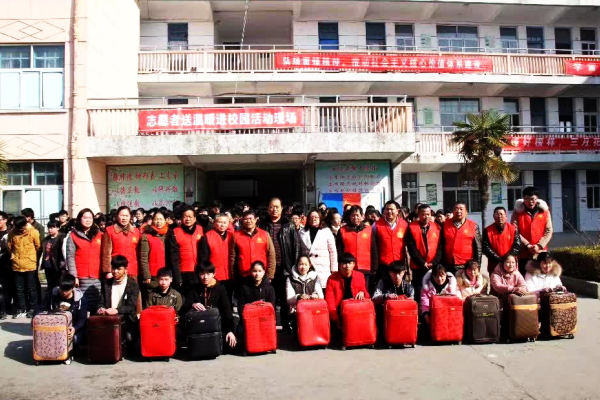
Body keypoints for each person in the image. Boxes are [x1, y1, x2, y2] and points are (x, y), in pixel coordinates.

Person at [260, 198, 299, 332]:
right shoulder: (262, 225)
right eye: (272, 207)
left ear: (282, 208)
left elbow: (296, 247)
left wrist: (294, 267)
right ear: (268, 209)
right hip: (268, 267)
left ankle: (286, 324)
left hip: (284, 266)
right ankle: (269, 324)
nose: (274, 209)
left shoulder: (289, 225)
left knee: (284, 298)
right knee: (269, 297)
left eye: (277, 207)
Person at [187, 262, 237, 349]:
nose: (205, 277)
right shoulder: (194, 289)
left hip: (216, 325)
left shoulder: (220, 288)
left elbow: (227, 311)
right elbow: (185, 302)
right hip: (199, 325)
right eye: (202, 274)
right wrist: (193, 304)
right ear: (198, 274)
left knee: (230, 345)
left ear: (214, 274)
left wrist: (229, 331)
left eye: (208, 273)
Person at [97, 255, 140, 350]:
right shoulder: (107, 283)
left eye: (119, 269)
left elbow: (131, 306)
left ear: (125, 269)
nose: (115, 271)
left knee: (129, 337)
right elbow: (101, 302)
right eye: (113, 268)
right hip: (108, 319)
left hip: (127, 320)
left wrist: (116, 310)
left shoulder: (132, 284)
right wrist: (101, 308)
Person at [66, 208, 104, 313]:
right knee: (82, 305)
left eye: (90, 218)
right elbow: (70, 257)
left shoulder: (100, 234)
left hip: (97, 275)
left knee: (97, 305)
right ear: (79, 219)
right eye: (85, 217)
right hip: (81, 276)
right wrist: (74, 276)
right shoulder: (73, 235)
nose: (88, 220)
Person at [511, 186, 553, 276]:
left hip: (540, 252)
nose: (530, 201)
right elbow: (515, 231)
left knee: (541, 278)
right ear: (523, 199)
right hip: (523, 253)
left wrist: (539, 245)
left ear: (537, 199)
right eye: (527, 199)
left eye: (532, 199)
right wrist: (527, 245)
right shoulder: (517, 212)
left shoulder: (545, 212)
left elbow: (549, 231)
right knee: (524, 278)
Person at [337, 205, 378, 290]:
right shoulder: (342, 230)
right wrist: (340, 265)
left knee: (364, 291)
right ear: (349, 216)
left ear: (362, 216)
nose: (355, 218)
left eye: (357, 215)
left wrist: (374, 268)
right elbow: (339, 250)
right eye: (353, 215)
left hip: (365, 268)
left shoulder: (369, 230)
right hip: (349, 268)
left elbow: (374, 249)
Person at [406, 204, 442, 300]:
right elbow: (411, 248)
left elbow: (440, 247)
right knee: (419, 290)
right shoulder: (411, 227)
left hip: (433, 265)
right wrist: (422, 263)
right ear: (418, 214)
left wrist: (434, 262)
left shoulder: (437, 227)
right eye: (423, 214)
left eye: (428, 214)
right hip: (418, 266)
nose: (426, 217)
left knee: (433, 290)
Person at [325, 253, 370, 329]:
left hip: (355, 310)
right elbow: (330, 300)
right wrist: (335, 318)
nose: (347, 266)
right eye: (344, 263)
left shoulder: (360, 276)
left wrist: (363, 293)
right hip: (339, 311)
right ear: (339, 265)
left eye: (349, 263)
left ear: (354, 264)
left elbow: (367, 295)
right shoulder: (332, 279)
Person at [42, 273, 88, 347]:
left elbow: (82, 319)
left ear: (72, 288)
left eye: (67, 290)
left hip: (73, 327)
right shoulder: (51, 295)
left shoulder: (81, 300)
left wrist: (74, 329)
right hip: (54, 326)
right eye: (62, 289)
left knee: (74, 340)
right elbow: (40, 308)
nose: (64, 292)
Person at [8, 216, 41, 318]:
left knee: (31, 288)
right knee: (19, 289)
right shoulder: (12, 233)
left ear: (25, 224)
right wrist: (14, 256)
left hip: (30, 264)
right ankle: (22, 308)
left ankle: (32, 308)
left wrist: (31, 257)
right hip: (17, 265)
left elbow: (38, 246)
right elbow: (10, 247)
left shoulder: (34, 232)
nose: (19, 230)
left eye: (21, 227)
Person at [231, 210, 276, 281]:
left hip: (261, 274)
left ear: (255, 220)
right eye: (246, 219)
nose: (248, 221)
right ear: (242, 221)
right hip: (243, 275)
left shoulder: (264, 234)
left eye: (251, 218)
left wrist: (270, 275)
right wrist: (233, 274)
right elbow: (233, 257)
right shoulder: (236, 235)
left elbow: (271, 255)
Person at [298, 209, 338, 289]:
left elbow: (333, 251)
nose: (314, 219)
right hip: (307, 267)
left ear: (320, 218)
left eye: (316, 217)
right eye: (311, 217)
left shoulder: (326, 231)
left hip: (323, 267)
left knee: (322, 289)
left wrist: (334, 268)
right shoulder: (302, 232)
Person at [169, 206, 204, 296]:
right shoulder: (175, 232)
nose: (188, 219)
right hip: (183, 272)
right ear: (181, 218)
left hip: (199, 271)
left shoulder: (201, 230)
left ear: (195, 218)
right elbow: (173, 257)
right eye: (185, 216)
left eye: (190, 216)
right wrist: (177, 277)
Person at [372, 200, 408, 287]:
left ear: (397, 211)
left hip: (399, 264)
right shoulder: (376, 225)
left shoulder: (405, 225)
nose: (389, 212)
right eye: (387, 209)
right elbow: (373, 246)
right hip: (383, 264)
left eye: (392, 209)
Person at [199, 213, 235, 300]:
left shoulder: (232, 236)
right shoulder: (207, 236)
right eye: (220, 222)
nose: (222, 225)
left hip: (230, 274)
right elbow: (204, 258)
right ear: (214, 223)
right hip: (215, 274)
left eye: (225, 223)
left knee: (228, 298)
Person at [442, 202, 481, 275]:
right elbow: (441, 244)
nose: (458, 211)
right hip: (448, 264)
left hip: (466, 265)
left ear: (466, 212)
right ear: (453, 211)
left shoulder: (473, 226)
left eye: (461, 209)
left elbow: (478, 247)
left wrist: (478, 265)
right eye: (456, 209)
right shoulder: (445, 224)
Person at [102, 206, 141, 279]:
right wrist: (108, 271)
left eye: (126, 216)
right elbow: (106, 254)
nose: (124, 218)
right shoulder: (109, 231)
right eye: (122, 215)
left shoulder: (136, 231)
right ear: (117, 216)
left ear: (130, 217)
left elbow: (139, 253)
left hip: (132, 270)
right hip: (116, 270)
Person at [483, 207, 520, 274]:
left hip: (510, 264)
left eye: (501, 214)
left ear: (506, 216)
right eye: (497, 214)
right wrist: (498, 259)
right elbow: (485, 247)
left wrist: (507, 259)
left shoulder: (513, 229)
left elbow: (517, 245)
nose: (499, 216)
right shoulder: (487, 230)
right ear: (493, 216)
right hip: (494, 264)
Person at [139, 211, 169, 296]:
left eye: (161, 219)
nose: (158, 222)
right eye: (156, 219)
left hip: (167, 274)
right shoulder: (147, 236)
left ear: (165, 220)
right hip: (153, 275)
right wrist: (146, 275)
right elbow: (143, 257)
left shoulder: (169, 235)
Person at [40, 221, 66, 293]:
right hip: (47, 265)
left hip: (57, 266)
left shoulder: (62, 238)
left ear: (58, 228)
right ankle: (49, 298)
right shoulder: (46, 239)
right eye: (49, 228)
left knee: (58, 285)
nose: (50, 230)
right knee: (50, 285)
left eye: (52, 228)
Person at [0, 211, 13, 319]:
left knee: (7, 286)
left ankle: (6, 307)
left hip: (7, 263)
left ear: (5, 220)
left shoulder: (10, 232)